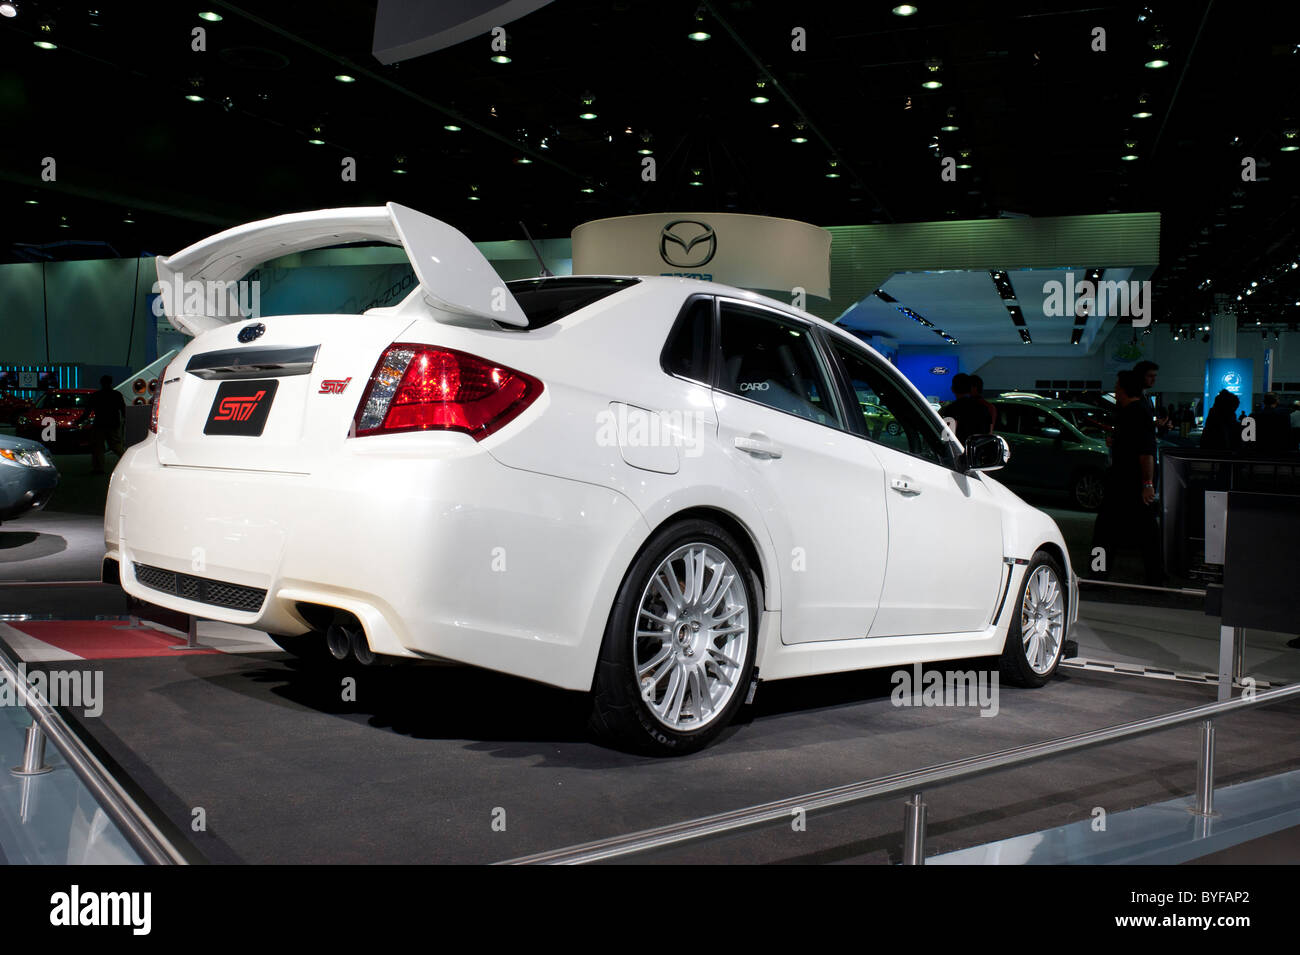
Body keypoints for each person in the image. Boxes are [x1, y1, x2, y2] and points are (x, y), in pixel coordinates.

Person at [1091, 369, 1164, 586]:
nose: (1115, 389)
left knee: (1106, 531)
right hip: (1128, 481)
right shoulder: (1133, 411)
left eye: (1117, 386)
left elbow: (1146, 452)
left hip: (1128, 482)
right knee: (1145, 533)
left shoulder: (1136, 413)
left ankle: (1099, 576)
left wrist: (1148, 484)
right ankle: (1155, 580)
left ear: (1123, 389)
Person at [87, 375, 127, 475]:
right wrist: (125, 419)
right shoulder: (117, 394)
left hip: (99, 424)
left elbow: (88, 410)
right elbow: (123, 409)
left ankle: (98, 468)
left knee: (98, 447)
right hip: (113, 423)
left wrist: (79, 421)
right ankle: (127, 461)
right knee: (116, 445)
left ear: (101, 383)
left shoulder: (96, 395)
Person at [938, 373, 990, 444]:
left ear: (953, 389)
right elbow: (987, 433)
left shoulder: (950, 409)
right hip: (978, 450)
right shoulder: (984, 408)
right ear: (970, 389)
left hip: (957, 451)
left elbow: (946, 437)